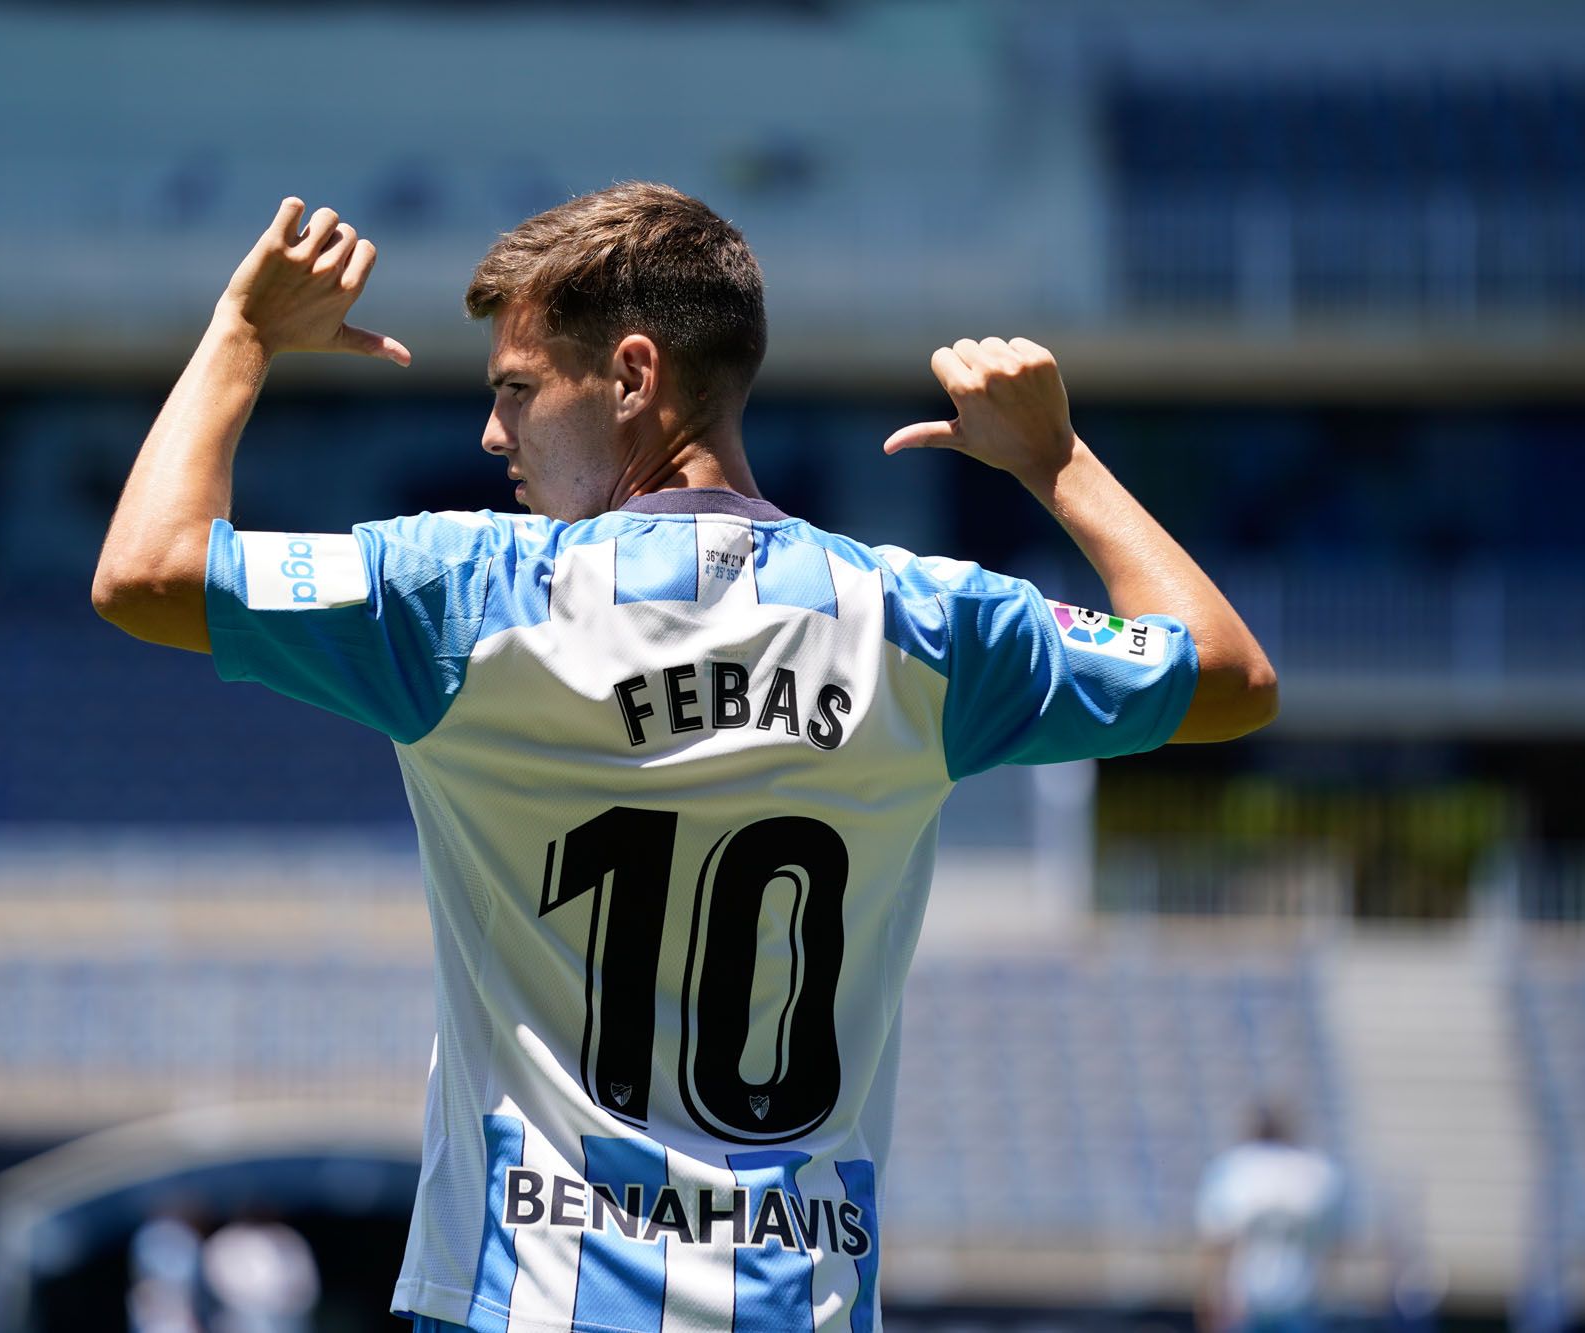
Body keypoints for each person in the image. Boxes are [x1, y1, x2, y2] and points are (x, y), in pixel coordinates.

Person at [93, 181, 1278, 1332]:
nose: (490, 430)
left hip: (528, 1300)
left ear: (631, 376)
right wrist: (1055, 460)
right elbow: (1226, 675)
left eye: (515, 388)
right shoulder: (924, 624)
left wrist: (243, 334)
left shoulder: (467, 595)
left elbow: (144, 571)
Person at [1196, 1104, 1347, 1333]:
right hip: (1299, 1300)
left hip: (1247, 1303)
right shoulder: (1316, 1171)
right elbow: (1333, 1244)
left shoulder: (1234, 1170)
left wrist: (1209, 1301)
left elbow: (1216, 1245)